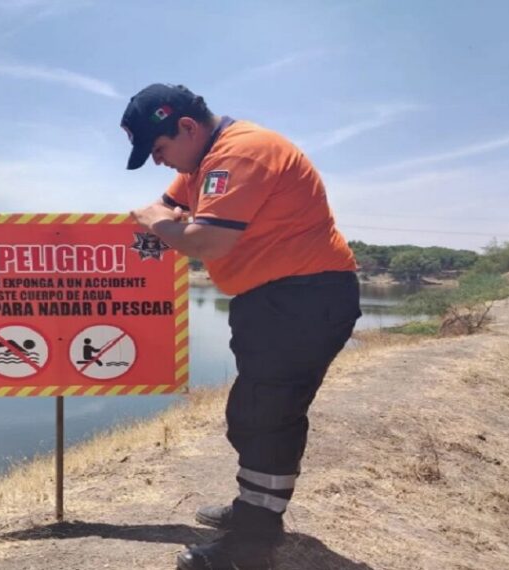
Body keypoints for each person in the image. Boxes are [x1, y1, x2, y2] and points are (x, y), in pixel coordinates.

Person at [122, 84, 362, 570]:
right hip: (276, 300)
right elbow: (165, 213)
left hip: (306, 297)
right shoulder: (199, 167)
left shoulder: (242, 152)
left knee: (267, 414)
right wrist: (161, 222)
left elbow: (204, 242)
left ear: (187, 127)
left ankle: (253, 545)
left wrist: (161, 223)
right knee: (254, 412)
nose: (158, 161)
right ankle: (253, 508)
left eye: (159, 148)